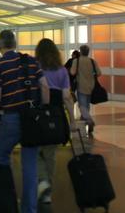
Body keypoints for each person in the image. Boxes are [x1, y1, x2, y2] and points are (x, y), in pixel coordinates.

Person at [0, 30, 50, 213]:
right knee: (30, 165)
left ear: (0, 46)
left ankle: (7, 202)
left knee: (1, 157)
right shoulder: (32, 62)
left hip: (11, 118)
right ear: (15, 43)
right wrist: (43, 109)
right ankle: (29, 209)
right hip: (32, 119)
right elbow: (45, 87)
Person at [34, 38, 77, 205]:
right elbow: (67, 97)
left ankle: (42, 181)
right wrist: (72, 121)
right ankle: (47, 192)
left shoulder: (35, 68)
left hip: (38, 116)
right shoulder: (62, 71)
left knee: (35, 151)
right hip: (57, 116)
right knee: (51, 154)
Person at [70, 44, 101, 134]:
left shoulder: (77, 61)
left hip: (81, 86)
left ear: (81, 51)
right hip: (91, 86)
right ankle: (86, 122)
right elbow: (99, 73)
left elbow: (72, 72)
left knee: (82, 106)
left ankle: (89, 120)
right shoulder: (92, 61)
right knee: (86, 106)